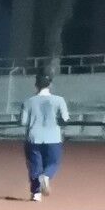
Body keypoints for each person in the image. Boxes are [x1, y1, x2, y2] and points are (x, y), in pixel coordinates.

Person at [22, 73, 69, 202]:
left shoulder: (28, 101)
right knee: (53, 162)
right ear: (50, 85)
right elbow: (65, 119)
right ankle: (46, 176)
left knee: (34, 165)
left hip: (33, 137)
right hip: (53, 137)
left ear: (36, 85)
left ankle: (36, 194)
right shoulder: (59, 100)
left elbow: (23, 121)